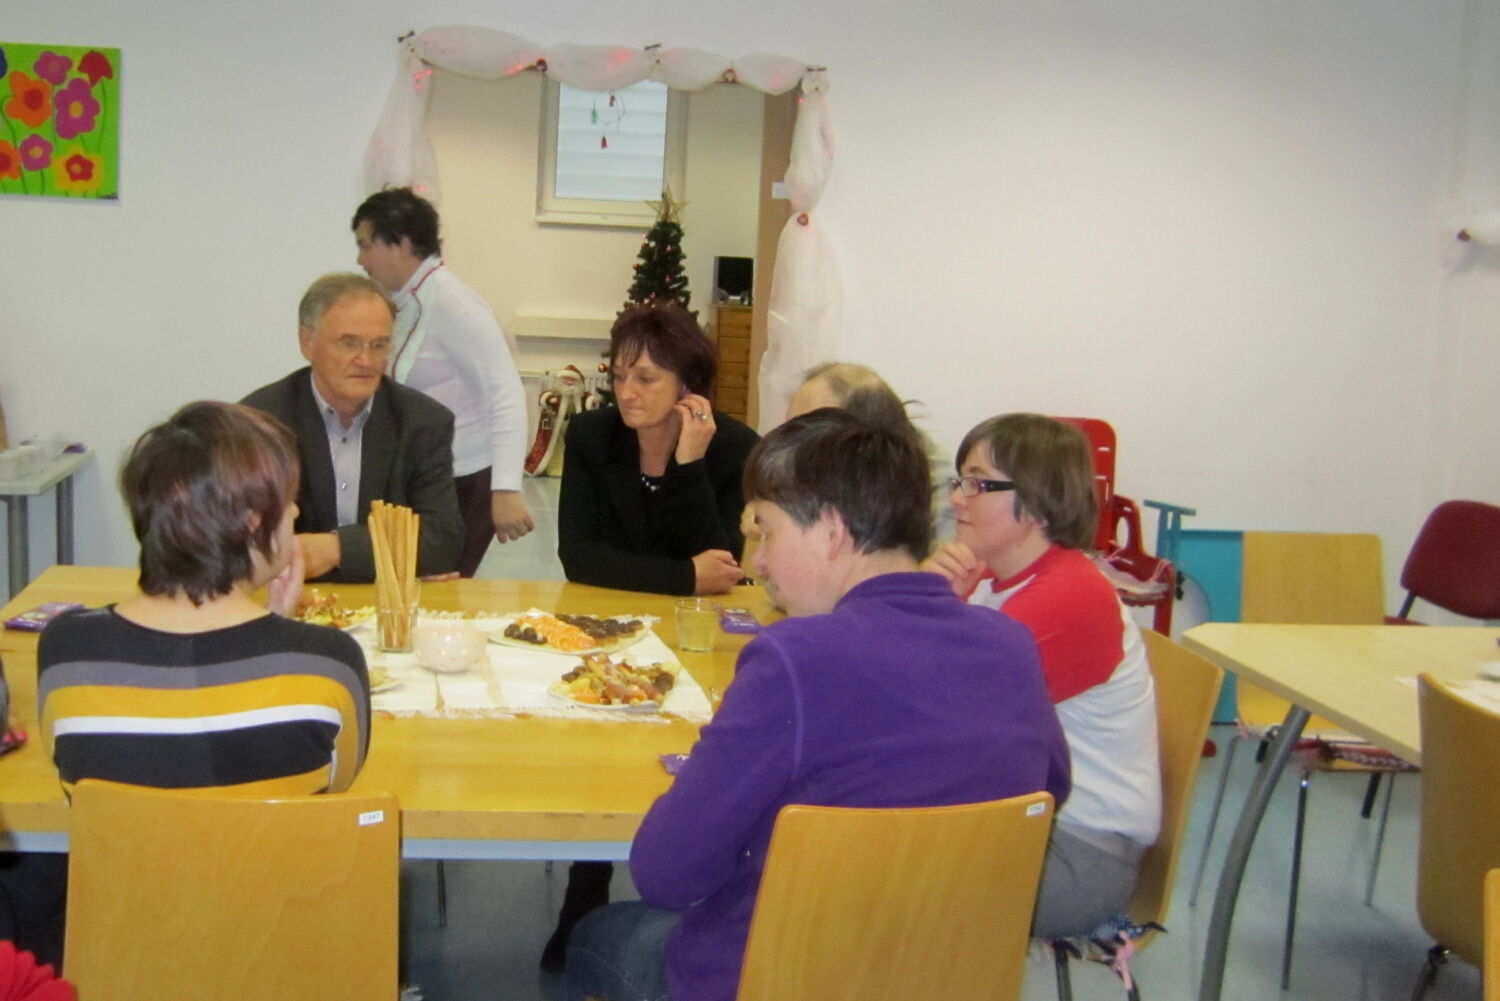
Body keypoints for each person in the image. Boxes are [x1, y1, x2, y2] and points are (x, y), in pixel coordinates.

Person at [564, 409, 1071, 1001]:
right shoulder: (1010, 644)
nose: (758, 561)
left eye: (768, 531)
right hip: (948, 975)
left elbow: (666, 874)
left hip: (780, 977)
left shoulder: (793, 658)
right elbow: (1050, 790)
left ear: (831, 531)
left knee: (597, 935)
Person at [38, 401, 371, 796]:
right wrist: (285, 634)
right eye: (287, 500)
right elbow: (333, 790)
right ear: (253, 524)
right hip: (271, 842)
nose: (296, 511)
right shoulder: (328, 661)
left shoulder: (67, 650)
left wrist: (277, 627)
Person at [922, 413, 1161, 939]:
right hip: (1023, 820)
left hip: (1077, 852)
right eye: (960, 481)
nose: (957, 499)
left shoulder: (1067, 596)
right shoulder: (990, 578)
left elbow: (935, 718)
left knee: (859, 872)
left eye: (978, 484)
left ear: (1035, 501)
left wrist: (931, 613)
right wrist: (937, 604)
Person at [353, 188, 533, 576]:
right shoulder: (404, 302)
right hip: (426, 473)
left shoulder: (456, 305)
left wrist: (505, 489)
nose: (360, 259)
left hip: (468, 477)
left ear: (402, 244)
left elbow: (506, 394)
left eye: (366, 245)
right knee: (409, 581)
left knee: (441, 585)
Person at [242, 272, 462, 582]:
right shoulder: (259, 422)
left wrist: (338, 548)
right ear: (307, 343)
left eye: (379, 345)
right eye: (349, 343)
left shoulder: (423, 422)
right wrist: (387, 553)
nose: (366, 361)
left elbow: (442, 541)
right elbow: (243, 537)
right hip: (292, 597)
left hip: (382, 600)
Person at [557, 303, 759, 596]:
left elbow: (721, 568)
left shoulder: (735, 447)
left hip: (696, 615)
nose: (626, 393)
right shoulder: (590, 435)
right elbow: (577, 557)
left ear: (687, 384)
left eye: (646, 379)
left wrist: (690, 465)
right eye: (619, 376)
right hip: (609, 607)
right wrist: (685, 577)